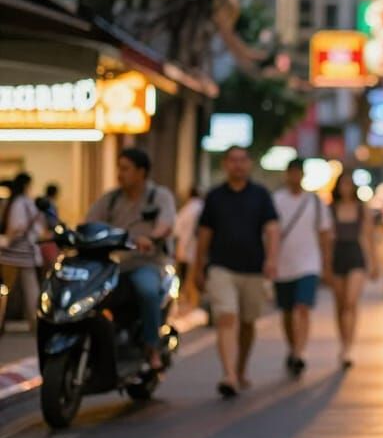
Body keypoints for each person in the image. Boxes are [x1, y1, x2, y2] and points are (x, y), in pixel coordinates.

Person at [194, 146, 279, 398]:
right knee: (226, 317)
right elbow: (204, 235)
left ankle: (240, 368)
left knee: (248, 323)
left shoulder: (261, 195)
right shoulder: (215, 197)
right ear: (225, 164)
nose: (238, 165)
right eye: (233, 160)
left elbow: (272, 229)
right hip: (221, 268)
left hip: (253, 268)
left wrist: (272, 259)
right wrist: (198, 268)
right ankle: (229, 374)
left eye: (242, 160)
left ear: (249, 164)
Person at [85, 150, 177, 370]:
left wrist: (151, 237)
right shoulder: (111, 198)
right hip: (112, 265)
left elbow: (166, 224)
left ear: (141, 172)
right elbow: (89, 223)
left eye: (125, 168)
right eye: (119, 168)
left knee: (147, 291)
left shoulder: (159, 196)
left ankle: (151, 347)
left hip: (146, 263)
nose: (120, 173)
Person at [274, 159, 333, 376]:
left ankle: (299, 353)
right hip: (283, 264)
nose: (294, 177)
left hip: (309, 264)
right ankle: (292, 347)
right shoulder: (276, 200)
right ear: (286, 174)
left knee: (303, 308)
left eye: (298, 173)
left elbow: (325, 234)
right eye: (291, 173)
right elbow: (269, 232)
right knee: (288, 312)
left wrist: (326, 265)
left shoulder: (315, 202)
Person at [328, 171, 379, 369]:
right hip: (337, 255)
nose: (346, 188)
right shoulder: (331, 209)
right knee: (340, 304)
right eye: (343, 184)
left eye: (349, 184)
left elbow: (369, 237)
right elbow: (325, 238)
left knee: (350, 302)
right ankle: (343, 342)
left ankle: (348, 348)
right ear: (338, 187)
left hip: (356, 256)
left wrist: (374, 263)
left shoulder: (361, 209)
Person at [0, 172, 44, 332]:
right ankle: (36, 323)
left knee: (6, 289)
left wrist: (7, 239)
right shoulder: (27, 202)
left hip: (13, 253)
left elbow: (16, 226)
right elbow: (27, 226)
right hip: (25, 252)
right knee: (31, 290)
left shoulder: (17, 203)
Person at [172, 186, 204, 312]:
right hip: (196, 249)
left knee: (187, 277)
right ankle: (193, 302)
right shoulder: (203, 207)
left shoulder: (188, 209)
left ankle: (187, 303)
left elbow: (176, 228)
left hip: (187, 247)